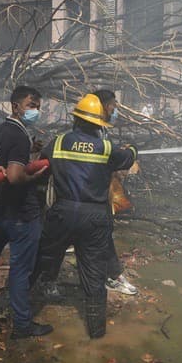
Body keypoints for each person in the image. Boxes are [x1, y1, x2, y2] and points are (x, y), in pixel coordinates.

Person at [33, 94, 138, 339]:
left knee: (42, 260)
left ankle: (20, 313)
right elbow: (128, 158)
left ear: (76, 120)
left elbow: (40, 168)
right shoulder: (107, 148)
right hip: (94, 218)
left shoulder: (57, 142)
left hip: (62, 214)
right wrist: (133, 148)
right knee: (93, 275)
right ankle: (97, 333)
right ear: (100, 123)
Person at [0, 85, 51, 339]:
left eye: (37, 106)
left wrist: (29, 151)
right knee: (21, 268)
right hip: (22, 213)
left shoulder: (3, 130)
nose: (35, 110)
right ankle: (23, 325)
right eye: (30, 105)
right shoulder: (17, 135)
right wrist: (34, 174)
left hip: (3, 207)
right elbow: (15, 176)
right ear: (15, 106)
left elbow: (4, 164)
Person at [92, 89, 139, 296]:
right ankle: (111, 277)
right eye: (113, 106)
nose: (115, 110)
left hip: (96, 196)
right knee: (101, 236)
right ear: (102, 107)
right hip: (92, 199)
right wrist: (129, 153)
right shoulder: (92, 132)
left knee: (100, 236)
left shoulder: (100, 130)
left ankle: (110, 275)